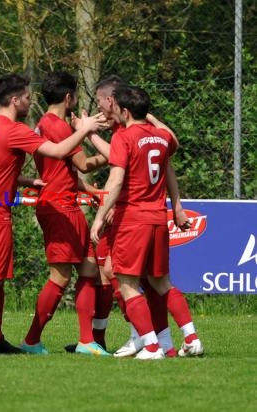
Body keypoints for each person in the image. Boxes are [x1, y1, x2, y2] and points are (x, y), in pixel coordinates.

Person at [0, 73, 108, 355]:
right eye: (27, 97)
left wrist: (28, 182)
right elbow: (59, 151)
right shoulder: (14, 129)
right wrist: (86, 128)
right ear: (15, 100)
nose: (31, 101)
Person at [89, 84, 203, 359]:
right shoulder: (161, 137)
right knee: (162, 283)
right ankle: (192, 337)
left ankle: (151, 347)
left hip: (133, 219)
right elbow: (170, 165)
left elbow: (115, 181)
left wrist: (100, 218)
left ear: (125, 110)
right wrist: (177, 207)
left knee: (126, 283)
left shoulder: (124, 138)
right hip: (157, 218)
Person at [19, 71, 110, 356]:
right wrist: (115, 151)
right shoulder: (56, 126)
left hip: (65, 203)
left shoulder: (47, 123)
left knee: (89, 268)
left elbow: (65, 171)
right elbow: (83, 164)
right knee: (60, 277)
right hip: (59, 207)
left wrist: (91, 192)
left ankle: (86, 341)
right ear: (69, 97)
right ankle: (32, 340)